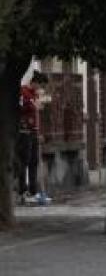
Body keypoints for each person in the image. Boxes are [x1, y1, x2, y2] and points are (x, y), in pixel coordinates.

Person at [16, 71, 46, 200]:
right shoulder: (23, 92)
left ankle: (33, 191)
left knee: (34, 161)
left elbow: (38, 113)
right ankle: (22, 191)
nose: (40, 88)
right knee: (25, 161)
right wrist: (33, 104)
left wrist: (39, 132)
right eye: (39, 85)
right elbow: (21, 109)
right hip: (25, 131)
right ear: (34, 82)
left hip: (34, 131)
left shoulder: (35, 95)